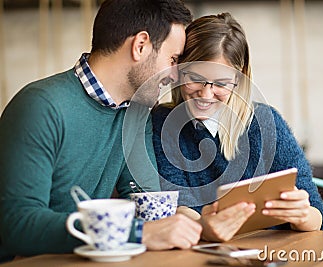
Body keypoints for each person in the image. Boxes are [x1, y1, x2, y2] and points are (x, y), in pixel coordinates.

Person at [0, 0, 202, 262]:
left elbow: (147, 205)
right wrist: (138, 233)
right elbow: (18, 224)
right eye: (173, 59)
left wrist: (199, 220)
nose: (175, 76)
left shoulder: (137, 113)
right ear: (140, 46)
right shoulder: (40, 106)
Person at [152, 12, 323, 242]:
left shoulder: (266, 122)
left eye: (221, 84)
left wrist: (302, 214)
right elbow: (176, 206)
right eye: (194, 78)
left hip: (272, 252)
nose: (206, 94)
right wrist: (203, 226)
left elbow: (317, 216)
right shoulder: (162, 124)